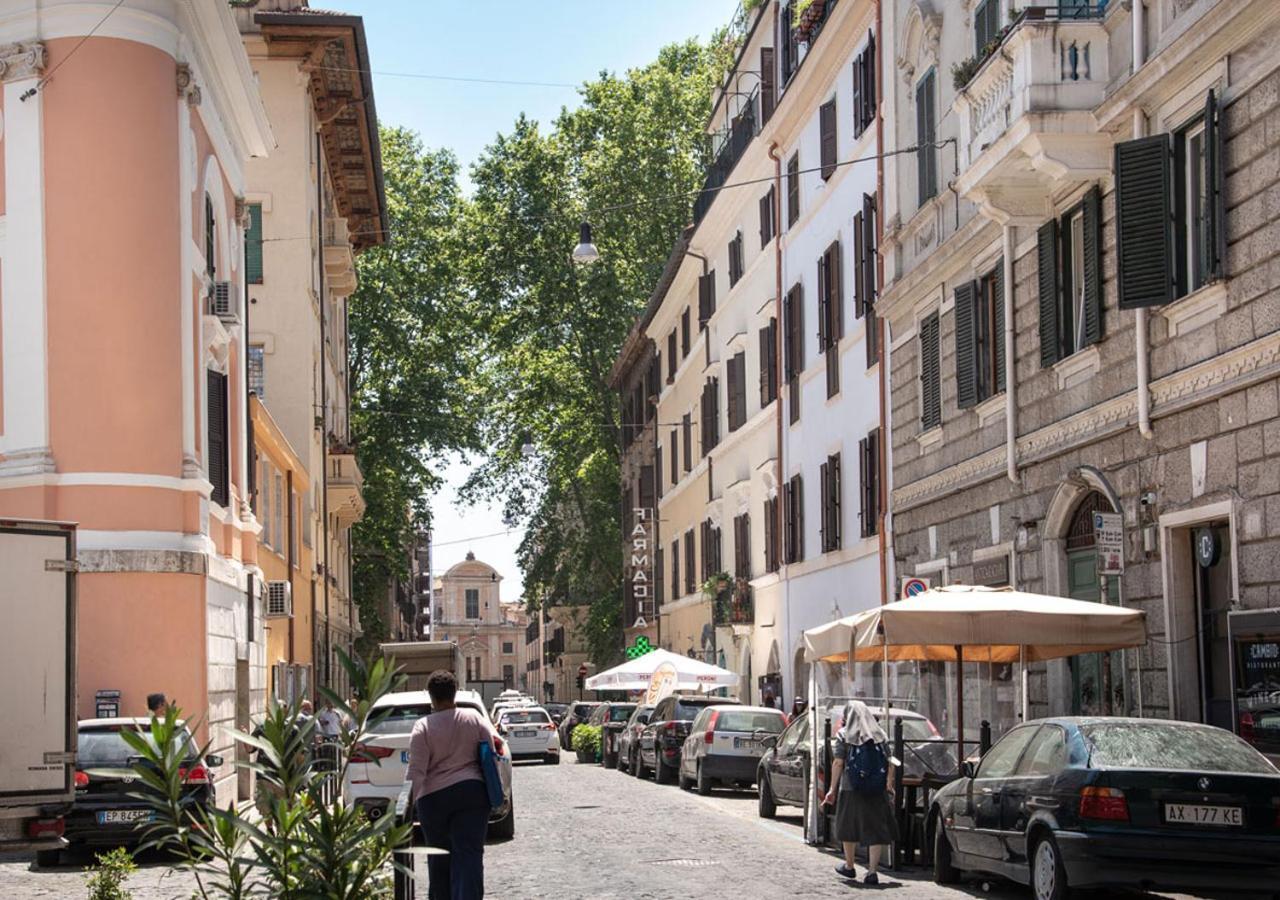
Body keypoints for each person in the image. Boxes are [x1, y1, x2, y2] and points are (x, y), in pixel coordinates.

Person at [407, 670, 496, 900]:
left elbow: (416, 770)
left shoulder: (422, 727)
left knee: (438, 856)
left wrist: (406, 806)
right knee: (469, 855)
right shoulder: (474, 719)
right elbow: (491, 755)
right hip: (472, 793)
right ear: (454, 693)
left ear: (431, 697)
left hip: (433, 798)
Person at [822, 700, 898, 885]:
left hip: (850, 787)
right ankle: (872, 872)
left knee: (849, 826)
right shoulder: (880, 734)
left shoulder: (843, 734)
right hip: (876, 788)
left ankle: (849, 866)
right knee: (874, 828)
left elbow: (838, 762)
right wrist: (888, 784)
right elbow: (891, 762)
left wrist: (831, 789)